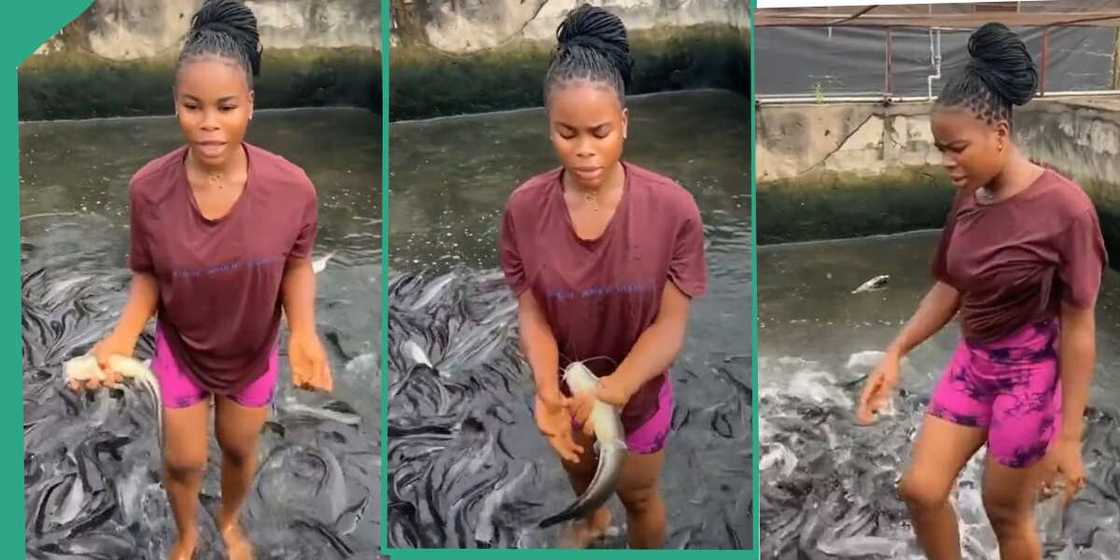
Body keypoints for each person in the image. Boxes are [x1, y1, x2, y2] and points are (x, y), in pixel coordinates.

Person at [67, 1, 334, 558]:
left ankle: (231, 522)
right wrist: (120, 339)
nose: (209, 121)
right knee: (182, 460)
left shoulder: (292, 188)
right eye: (193, 106)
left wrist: (304, 333)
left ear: (251, 107)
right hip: (182, 348)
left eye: (226, 106)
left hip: (252, 350)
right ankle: (188, 534)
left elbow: (296, 263)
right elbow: (147, 272)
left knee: (238, 449)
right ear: (176, 105)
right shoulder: (149, 189)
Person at [856, 22, 1106, 560]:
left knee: (1006, 517)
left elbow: (1081, 325)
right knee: (921, 491)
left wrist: (1069, 438)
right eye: (941, 148)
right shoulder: (970, 195)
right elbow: (949, 286)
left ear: (999, 132)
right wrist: (897, 352)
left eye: (957, 148)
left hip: (1030, 380)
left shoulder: (1066, 210)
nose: (947, 161)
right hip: (974, 366)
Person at [498, 3, 708, 549]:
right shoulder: (524, 208)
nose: (585, 150)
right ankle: (592, 521)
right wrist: (546, 389)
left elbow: (669, 326)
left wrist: (615, 391)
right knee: (582, 480)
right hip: (566, 394)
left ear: (625, 124)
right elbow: (533, 311)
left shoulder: (673, 208)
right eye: (567, 133)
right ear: (548, 127)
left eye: (600, 131)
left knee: (639, 497)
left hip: (636, 397)